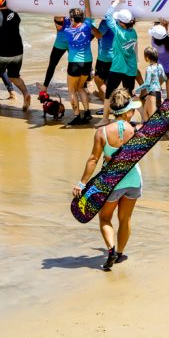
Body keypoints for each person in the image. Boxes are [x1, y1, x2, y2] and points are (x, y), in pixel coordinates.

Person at [71, 86, 142, 271]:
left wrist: (81, 183)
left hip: (111, 182)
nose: (134, 113)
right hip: (133, 180)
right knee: (125, 219)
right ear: (127, 112)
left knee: (104, 218)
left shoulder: (102, 132)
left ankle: (111, 251)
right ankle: (120, 254)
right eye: (132, 110)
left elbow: (93, 159)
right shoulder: (136, 131)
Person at [101, 0, 138, 126]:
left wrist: (117, 1)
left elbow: (107, 15)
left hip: (118, 67)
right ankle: (140, 117)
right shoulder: (133, 32)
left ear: (121, 23)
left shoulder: (117, 30)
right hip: (131, 67)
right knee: (129, 95)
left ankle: (105, 119)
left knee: (109, 94)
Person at [57, 8, 97, 125]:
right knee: (80, 88)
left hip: (74, 63)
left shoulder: (68, 30)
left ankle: (77, 116)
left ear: (72, 19)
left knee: (72, 90)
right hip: (87, 62)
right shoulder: (87, 26)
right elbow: (88, 10)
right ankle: (87, 113)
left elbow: (58, 18)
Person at [133, 46, 165, 122]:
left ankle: (154, 128)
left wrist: (136, 90)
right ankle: (149, 127)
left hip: (152, 94)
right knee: (145, 114)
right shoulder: (160, 66)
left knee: (151, 116)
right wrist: (158, 84)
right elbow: (164, 78)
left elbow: (147, 83)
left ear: (147, 58)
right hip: (159, 92)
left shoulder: (149, 68)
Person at [42, 19, 69, 93]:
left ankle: (44, 87)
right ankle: (84, 86)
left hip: (61, 42)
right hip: (73, 41)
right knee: (77, 61)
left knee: (52, 65)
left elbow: (59, 27)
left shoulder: (60, 14)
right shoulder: (76, 13)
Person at [92, 17, 114, 104]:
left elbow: (98, 35)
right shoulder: (117, 20)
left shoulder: (106, 22)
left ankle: (108, 102)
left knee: (98, 79)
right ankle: (103, 96)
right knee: (108, 81)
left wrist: (89, 24)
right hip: (115, 55)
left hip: (105, 56)